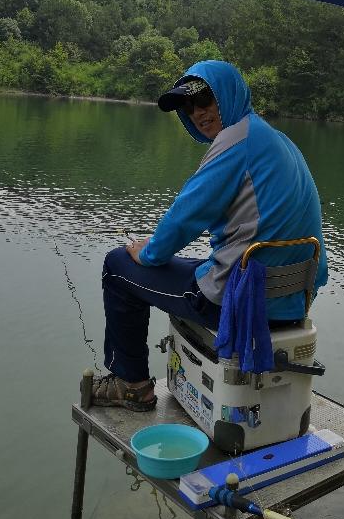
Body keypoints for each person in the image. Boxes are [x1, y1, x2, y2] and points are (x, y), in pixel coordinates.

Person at [92, 60, 328, 411]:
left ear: (229, 94)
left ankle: (133, 385)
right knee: (190, 264)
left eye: (205, 100)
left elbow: (186, 214)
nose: (198, 112)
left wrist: (149, 252)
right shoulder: (277, 140)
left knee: (117, 265)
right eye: (188, 107)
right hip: (291, 304)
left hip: (236, 304)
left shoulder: (237, 141)